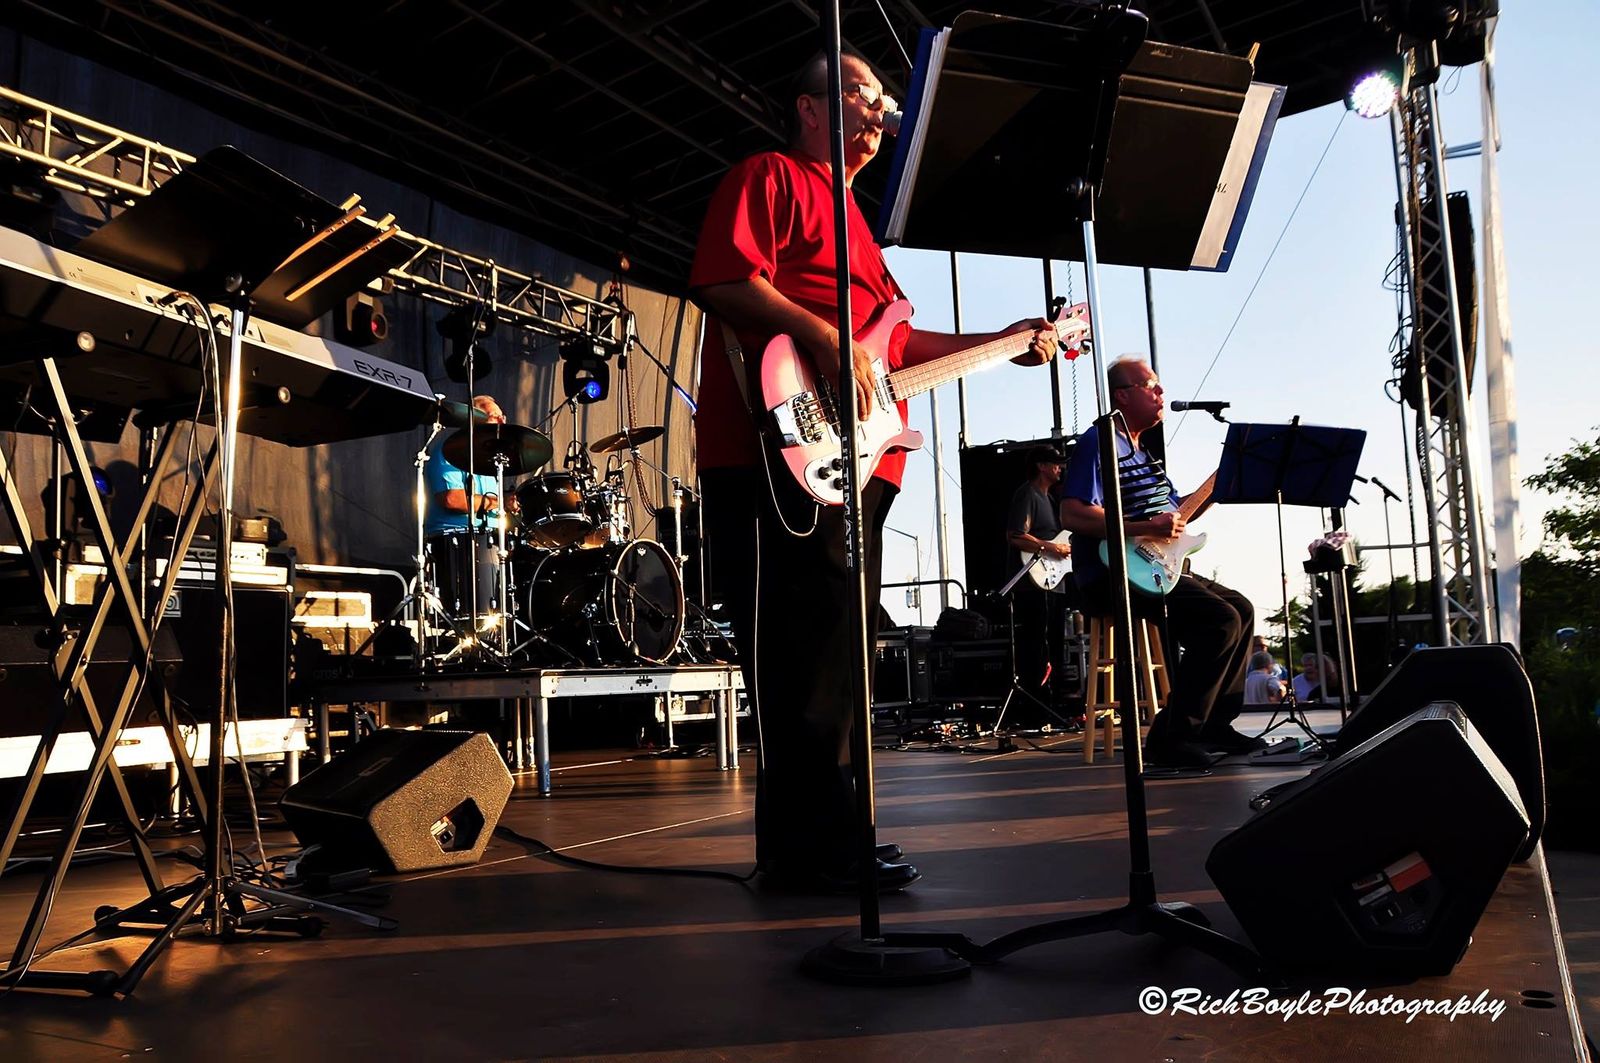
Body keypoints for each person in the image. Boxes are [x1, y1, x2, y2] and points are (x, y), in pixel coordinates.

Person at [691, 50, 1060, 894]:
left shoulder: (860, 222)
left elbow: (897, 348)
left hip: (856, 461)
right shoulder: (773, 176)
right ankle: (808, 849)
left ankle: (834, 837)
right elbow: (722, 277)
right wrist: (824, 337)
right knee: (801, 651)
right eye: (864, 92)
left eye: (885, 97)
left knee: (843, 651)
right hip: (775, 449)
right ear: (810, 107)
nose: (881, 108)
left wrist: (1003, 342)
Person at [1058, 356, 1262, 769]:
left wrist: (1217, 487)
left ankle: (1215, 724)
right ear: (1122, 396)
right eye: (1151, 385)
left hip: (1150, 565)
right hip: (1110, 572)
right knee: (1219, 620)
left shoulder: (1144, 455)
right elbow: (1072, 514)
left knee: (1241, 608)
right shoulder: (1099, 441)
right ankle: (1171, 738)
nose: (1161, 392)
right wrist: (1143, 526)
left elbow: (1175, 517)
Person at [1004, 446, 1073, 722]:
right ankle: (1036, 708)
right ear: (1041, 466)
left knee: (1054, 644)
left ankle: (1052, 705)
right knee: (1036, 645)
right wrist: (1052, 547)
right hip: (1033, 584)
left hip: (1054, 583)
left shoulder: (1052, 500)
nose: (1060, 468)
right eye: (1055, 463)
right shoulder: (1028, 494)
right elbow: (1015, 535)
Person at [424, 394, 514, 535]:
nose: (502, 421)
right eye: (495, 416)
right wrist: (501, 501)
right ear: (475, 420)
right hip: (456, 535)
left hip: (491, 535)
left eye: (503, 417)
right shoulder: (451, 450)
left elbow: (484, 498)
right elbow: (452, 499)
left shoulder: (489, 455)